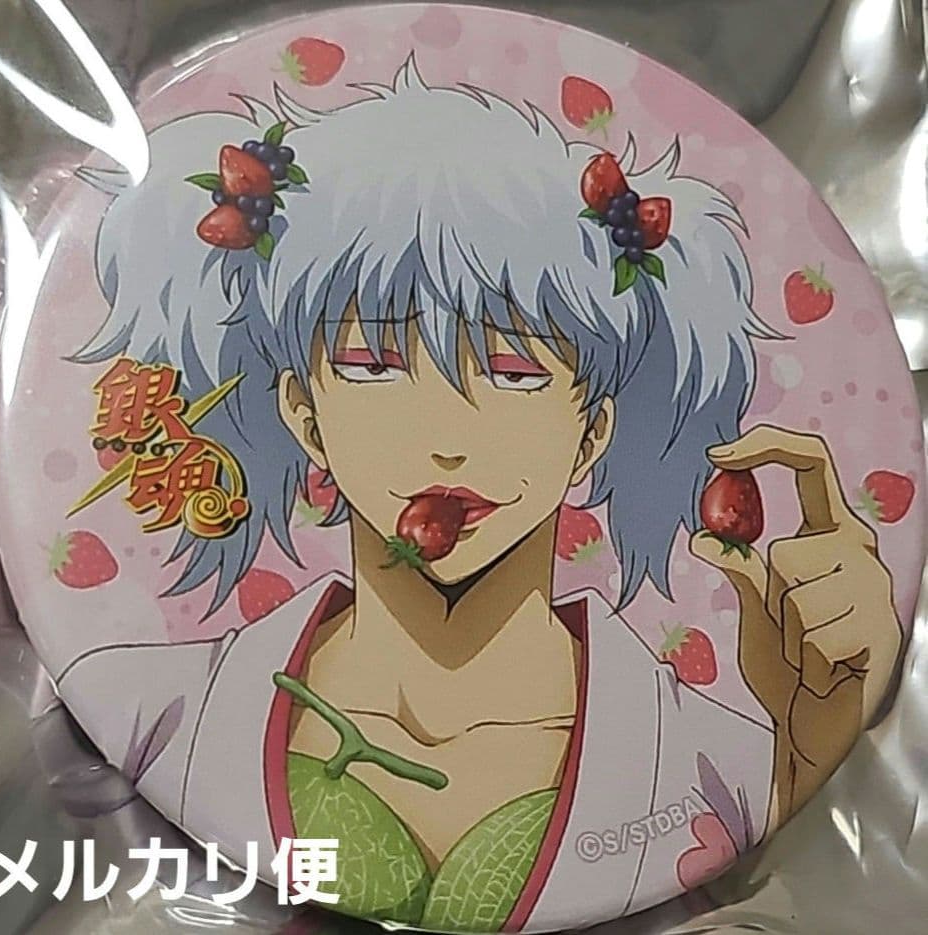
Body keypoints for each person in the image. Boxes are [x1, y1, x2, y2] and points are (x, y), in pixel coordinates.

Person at [62, 56, 902, 931]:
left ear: (593, 430)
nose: (447, 437)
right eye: (374, 362)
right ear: (303, 414)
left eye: (513, 370)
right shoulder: (140, 708)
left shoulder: (723, 758)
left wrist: (812, 746)